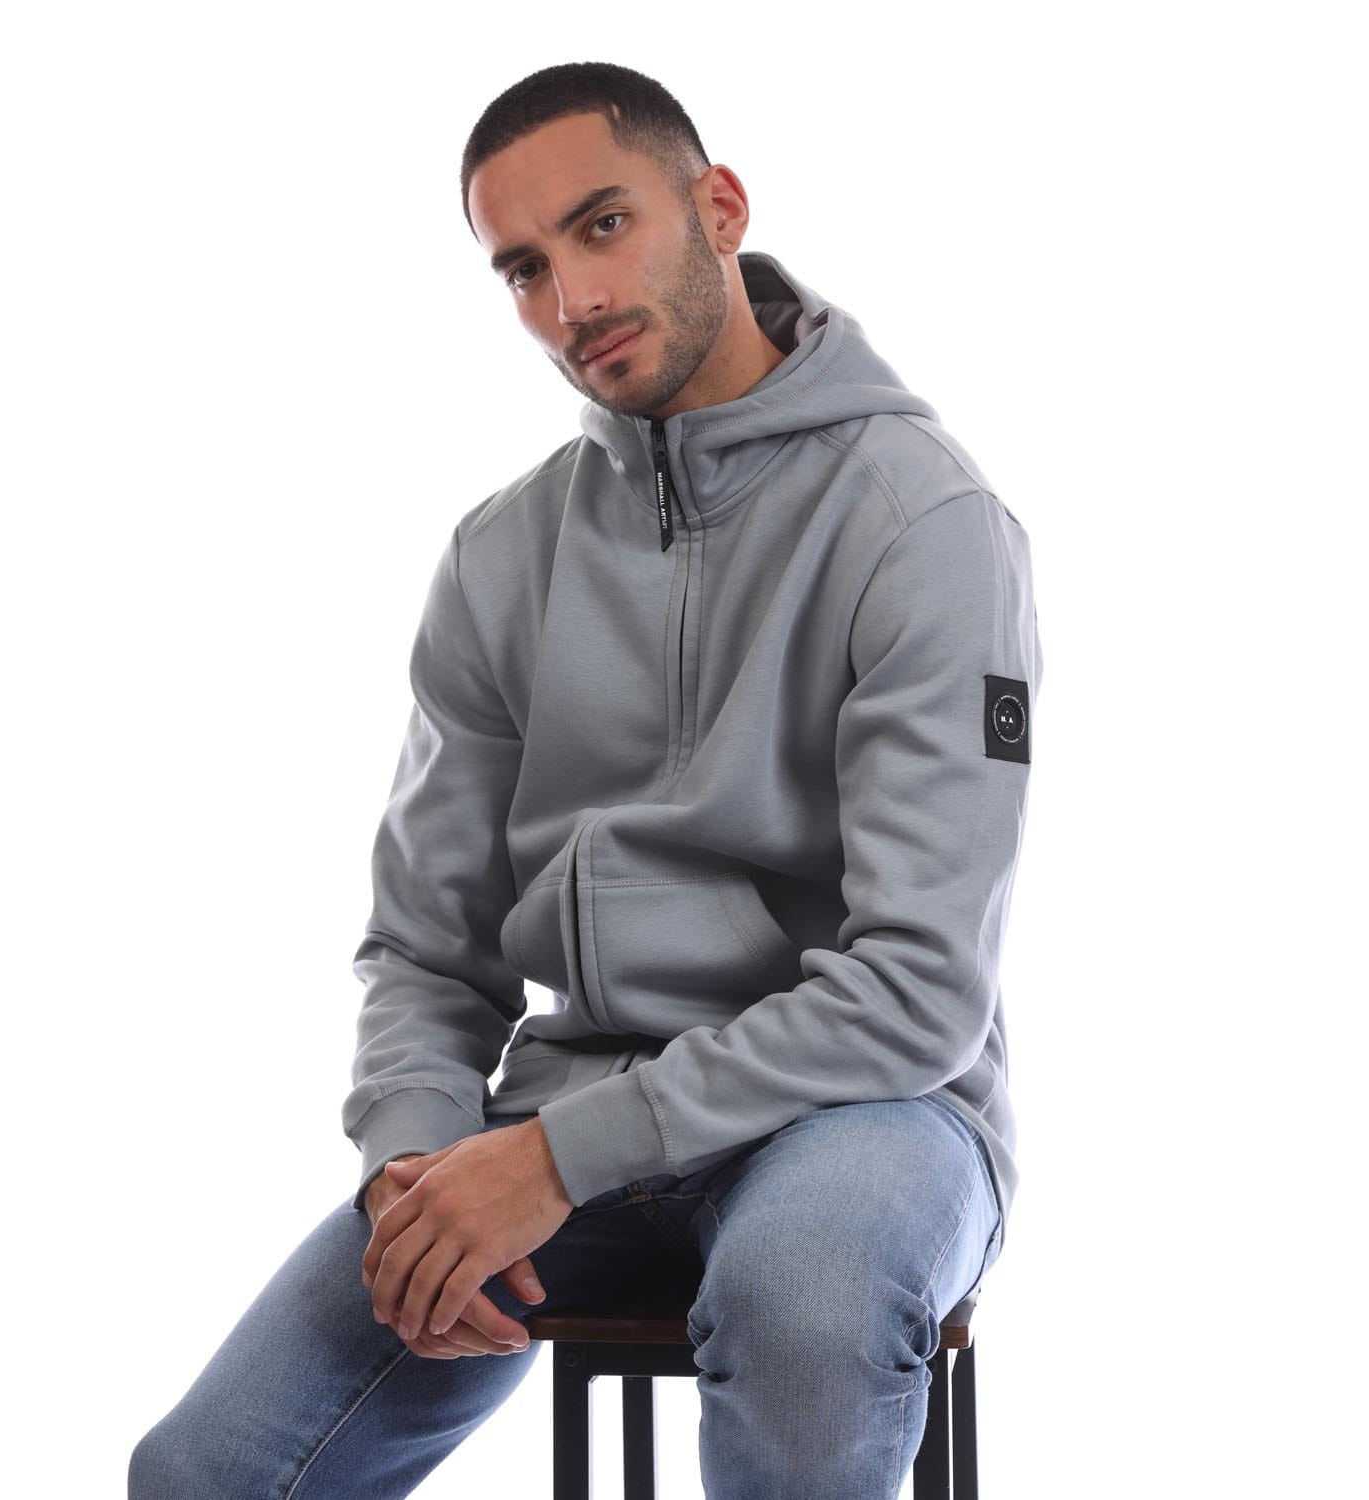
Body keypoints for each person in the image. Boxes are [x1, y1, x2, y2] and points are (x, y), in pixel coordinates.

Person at [129, 59, 1041, 1500]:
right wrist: (416, 1165)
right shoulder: (502, 556)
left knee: (804, 1310)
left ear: (718, 208)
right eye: (523, 268)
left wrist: (556, 1159)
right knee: (207, 1472)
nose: (572, 300)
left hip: (866, 1112)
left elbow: (920, 989)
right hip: (566, 1112)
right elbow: (426, 947)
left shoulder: (922, 520)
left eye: (603, 225)